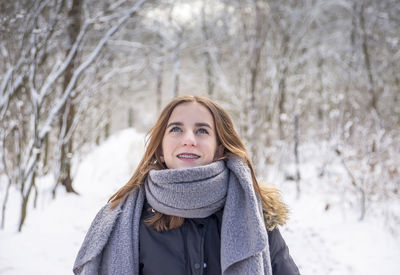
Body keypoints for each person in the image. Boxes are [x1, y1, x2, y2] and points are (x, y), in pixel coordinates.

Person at [73, 95, 300, 275]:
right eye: (176, 129)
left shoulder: (252, 214)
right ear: (160, 150)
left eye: (202, 130)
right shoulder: (125, 221)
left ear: (219, 148)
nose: (189, 139)